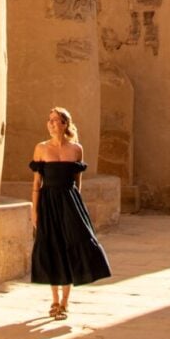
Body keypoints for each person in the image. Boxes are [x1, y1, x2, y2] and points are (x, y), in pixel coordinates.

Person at [29, 106, 111, 320]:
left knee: (74, 245)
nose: (51, 123)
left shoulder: (76, 149)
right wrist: (34, 211)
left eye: (55, 120)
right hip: (47, 202)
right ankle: (54, 300)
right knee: (51, 246)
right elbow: (37, 183)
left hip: (70, 202)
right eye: (49, 120)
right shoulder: (40, 148)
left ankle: (65, 302)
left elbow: (77, 184)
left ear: (65, 124)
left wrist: (77, 210)